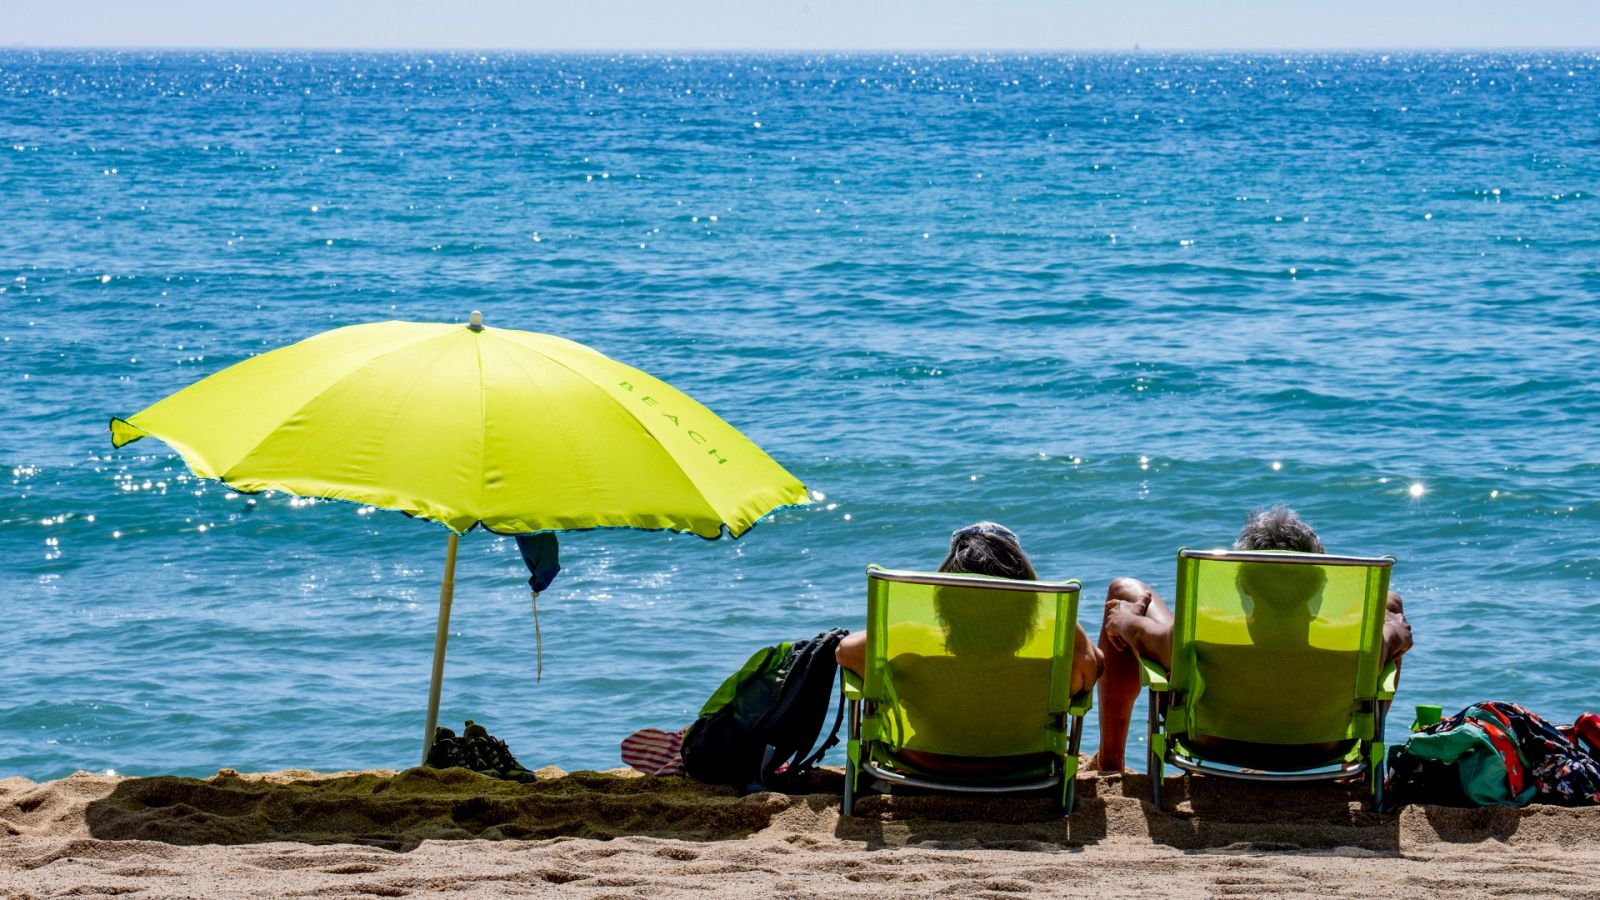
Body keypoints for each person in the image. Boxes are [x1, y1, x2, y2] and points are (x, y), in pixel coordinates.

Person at [1088, 505, 1414, 772]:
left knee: (1124, 590)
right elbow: (1395, 627)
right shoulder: (1358, 641)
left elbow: (1142, 635)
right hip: (1324, 747)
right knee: (1389, 604)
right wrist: (1392, 631)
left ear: (1242, 583)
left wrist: (1125, 620)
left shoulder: (1200, 632)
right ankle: (1358, 770)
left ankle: (1111, 762)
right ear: (1319, 585)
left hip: (1215, 743)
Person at [835, 522, 1103, 773]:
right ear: (1027, 598)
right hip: (1024, 763)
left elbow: (845, 652)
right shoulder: (1060, 635)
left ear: (945, 597)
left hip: (925, 762)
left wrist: (896, 688)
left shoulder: (909, 638)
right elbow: (1091, 671)